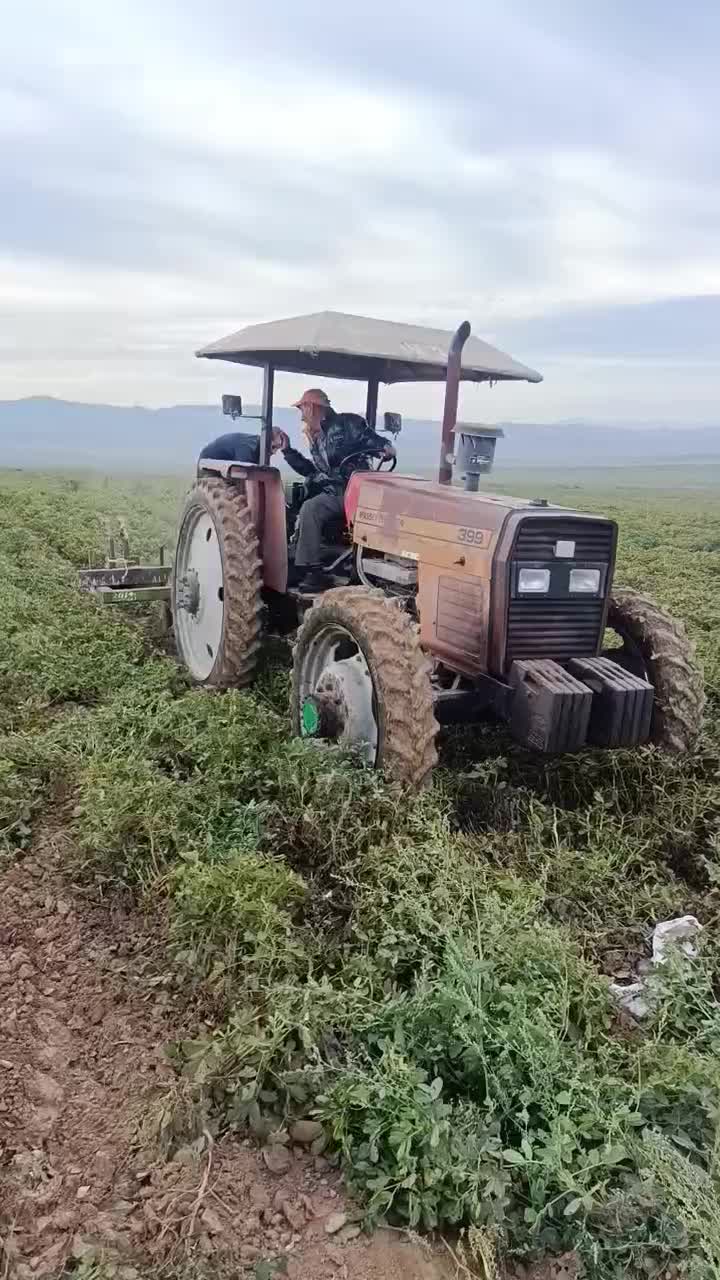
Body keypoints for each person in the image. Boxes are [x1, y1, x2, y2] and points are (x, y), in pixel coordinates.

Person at [280, 388, 395, 589]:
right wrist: (287, 451)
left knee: (311, 508)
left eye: (302, 408)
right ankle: (311, 570)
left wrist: (385, 447)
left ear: (313, 407)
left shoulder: (348, 423)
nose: (301, 414)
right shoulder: (316, 437)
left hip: (357, 489)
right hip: (336, 491)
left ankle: (325, 568)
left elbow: (373, 440)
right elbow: (312, 471)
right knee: (309, 505)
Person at [198, 428, 288, 466]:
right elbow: (245, 474)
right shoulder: (247, 449)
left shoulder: (258, 449)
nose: (274, 452)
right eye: (273, 447)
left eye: (277, 448)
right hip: (209, 462)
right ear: (265, 440)